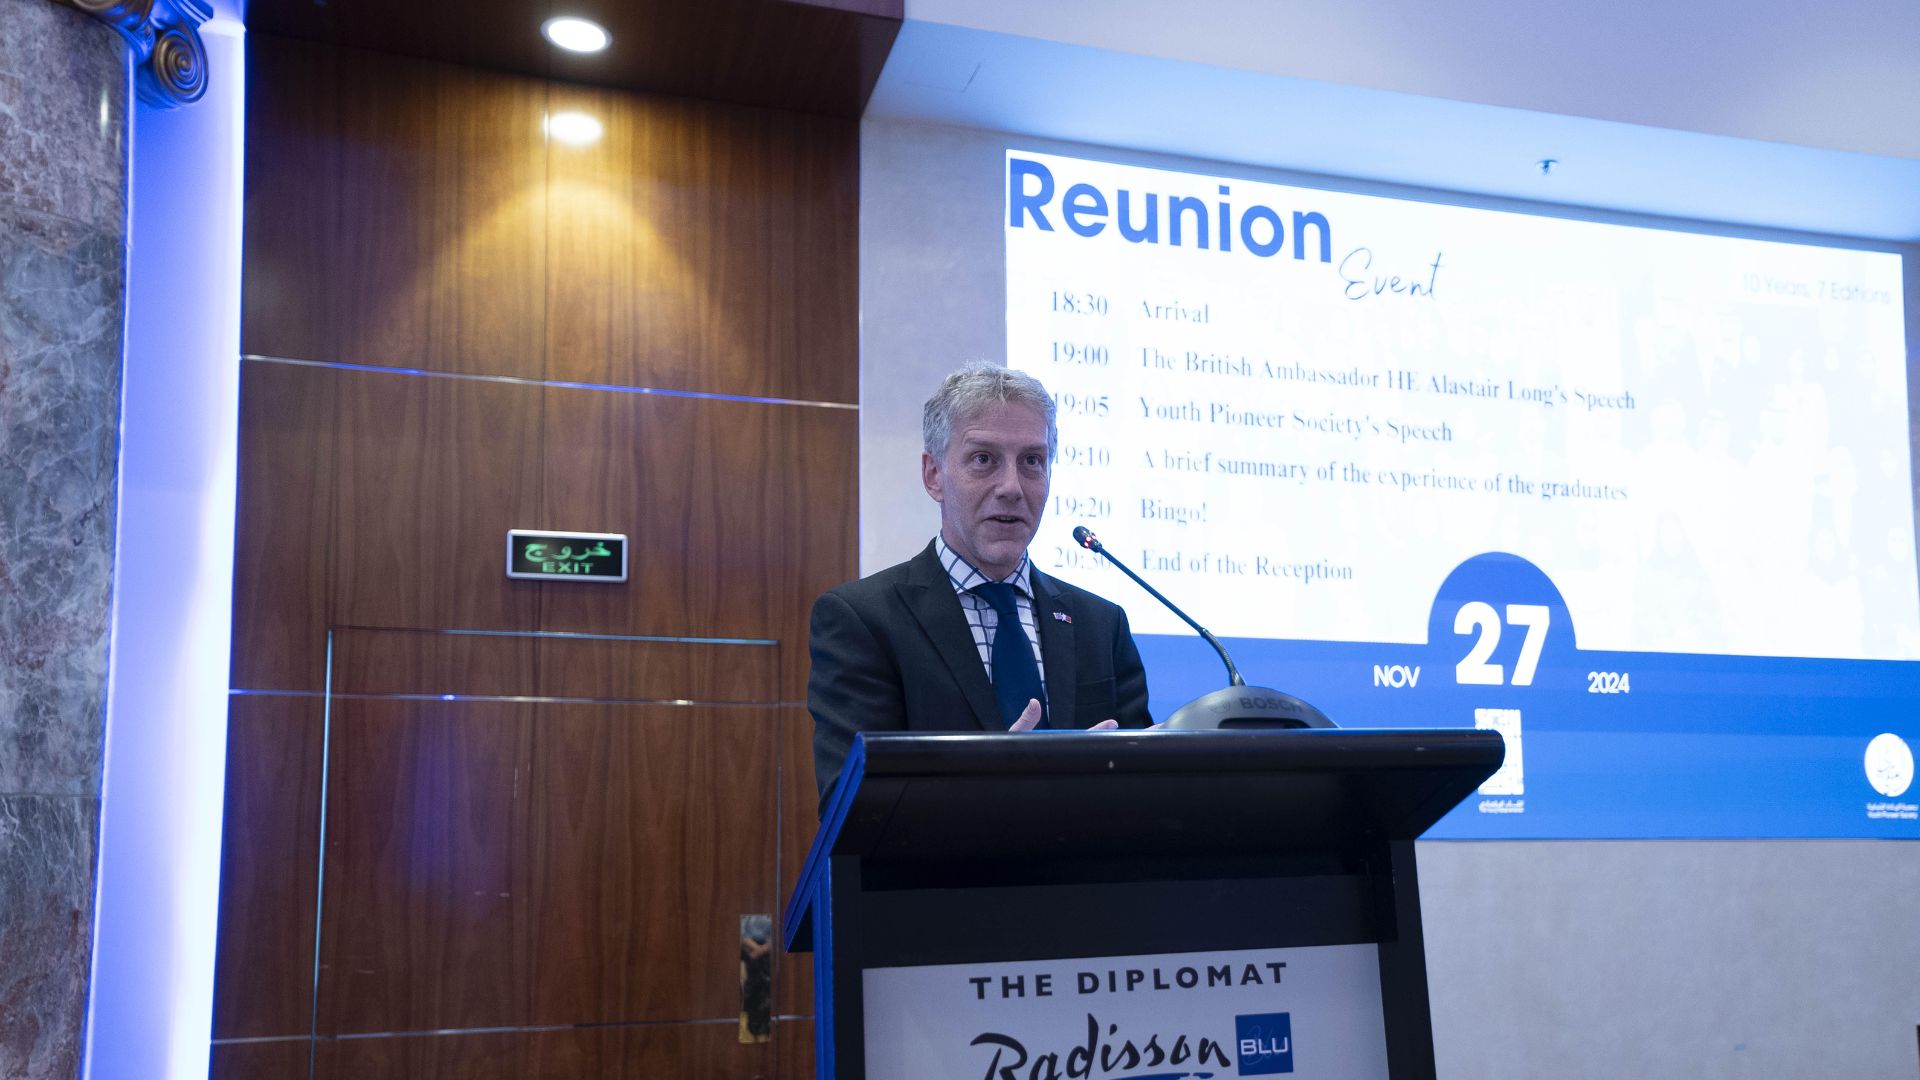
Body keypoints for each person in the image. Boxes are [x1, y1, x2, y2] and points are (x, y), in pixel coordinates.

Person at [808, 362, 1152, 803]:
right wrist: (992, 789)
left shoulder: (1100, 624)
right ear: (934, 475)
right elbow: (854, 810)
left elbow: (1146, 795)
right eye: (984, 459)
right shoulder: (863, 621)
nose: (1011, 487)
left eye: (1032, 461)